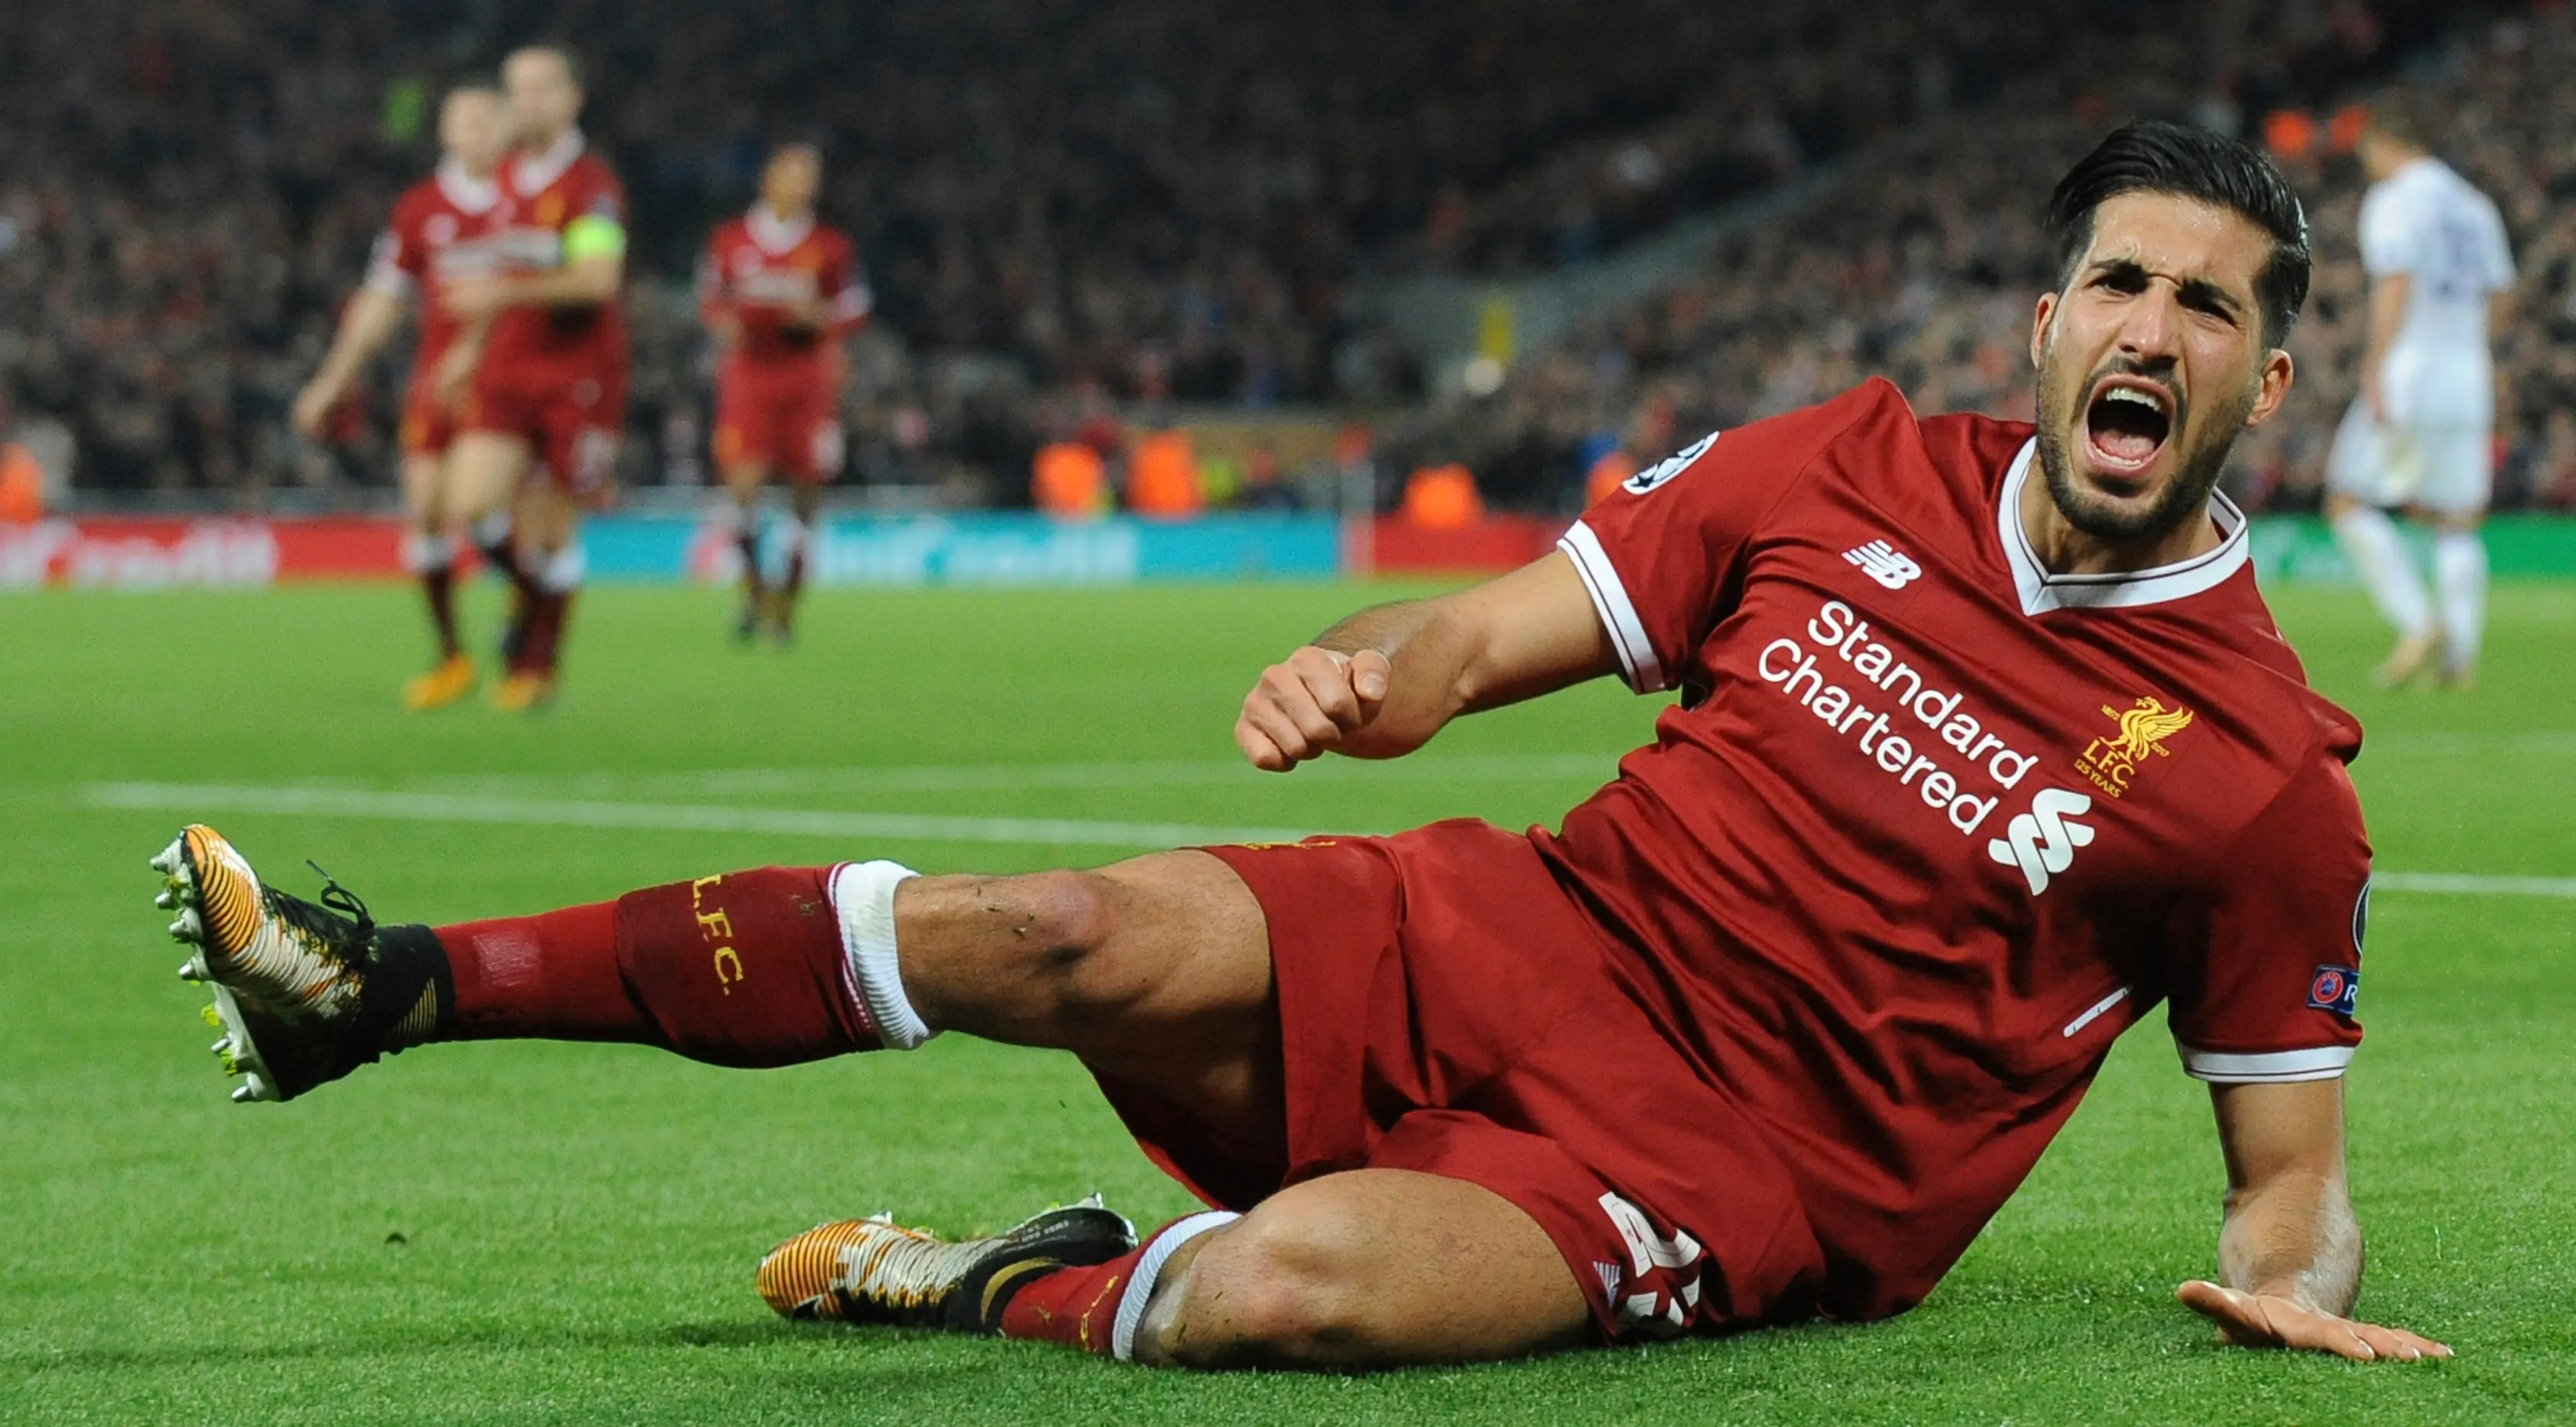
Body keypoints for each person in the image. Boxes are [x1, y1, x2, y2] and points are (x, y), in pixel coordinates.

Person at [145, 122, 2449, 1372]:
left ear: (2259, 387)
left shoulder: (2255, 774)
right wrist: (1359, 676)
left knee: (1282, 1292)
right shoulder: (1829, 462)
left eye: (2208, 310)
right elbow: (1461, 646)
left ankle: (972, 1276)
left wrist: (2291, 1285)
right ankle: (386, 985)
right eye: (2119, 289)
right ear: (2046, 330)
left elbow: (2284, 1172)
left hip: (1758, 1165)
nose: (2151, 333)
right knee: (1038, 925)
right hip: (1529, 926)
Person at [290, 86, 515, 709]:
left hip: (509, 380)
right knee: (425, 513)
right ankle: (452, 657)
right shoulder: (419, 209)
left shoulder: (525, 201)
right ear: (445, 132)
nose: (474, 130)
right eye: (462, 121)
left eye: (485, 119)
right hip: (436, 377)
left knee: (474, 507)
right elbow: (382, 298)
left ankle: (527, 601)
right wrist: (332, 381)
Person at [436, 45, 631, 711]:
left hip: (578, 372)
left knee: (552, 526)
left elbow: (596, 281)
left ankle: (538, 664)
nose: (528, 101)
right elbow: (502, 272)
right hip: (509, 366)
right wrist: (470, 346)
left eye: (544, 88)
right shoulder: (505, 179)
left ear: (573, 98)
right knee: (471, 503)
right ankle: (528, 597)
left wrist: (495, 301)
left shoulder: (591, 186)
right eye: (517, 89)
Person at [2323, 104, 2515, 688]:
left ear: (2384, 142)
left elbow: (2396, 279)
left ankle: (2418, 622)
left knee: (2348, 501)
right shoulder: (2475, 205)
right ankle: (2460, 656)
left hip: (2411, 371)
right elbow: (2503, 294)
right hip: (2467, 376)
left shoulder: (2396, 200)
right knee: (2456, 520)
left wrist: (2378, 364)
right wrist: (2471, 350)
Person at [697, 142, 869, 642]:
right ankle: (754, 593)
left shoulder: (831, 248)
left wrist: (819, 319)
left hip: (807, 380)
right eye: (793, 174)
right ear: (768, 179)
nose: (803, 186)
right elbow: (711, 299)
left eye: (810, 177)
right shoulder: (729, 240)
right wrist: (724, 324)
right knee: (743, 491)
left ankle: (786, 608)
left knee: (805, 495)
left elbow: (854, 308)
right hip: (749, 378)